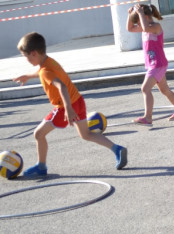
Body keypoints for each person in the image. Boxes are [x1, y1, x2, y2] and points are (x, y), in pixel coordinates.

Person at [13, 32, 127, 177]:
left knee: (38, 134)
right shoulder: (50, 62)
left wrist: (68, 109)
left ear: (34, 53)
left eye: (26, 56)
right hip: (78, 100)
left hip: (64, 107)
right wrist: (28, 76)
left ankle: (41, 166)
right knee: (86, 134)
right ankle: (117, 149)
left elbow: (61, 86)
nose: (26, 59)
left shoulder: (45, 71)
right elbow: (44, 73)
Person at [126, 4, 174, 125]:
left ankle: (148, 117)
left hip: (157, 64)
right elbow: (129, 28)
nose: (136, 25)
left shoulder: (155, 27)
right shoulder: (144, 27)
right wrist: (130, 15)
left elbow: (144, 27)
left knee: (145, 88)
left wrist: (140, 14)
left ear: (146, 16)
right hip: (154, 64)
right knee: (165, 90)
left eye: (137, 20)